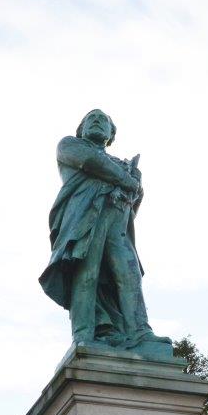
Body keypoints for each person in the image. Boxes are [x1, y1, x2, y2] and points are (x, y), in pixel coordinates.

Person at [39, 109, 172, 355]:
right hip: (86, 220)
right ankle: (84, 335)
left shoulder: (123, 166)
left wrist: (135, 189)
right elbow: (92, 162)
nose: (98, 121)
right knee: (87, 272)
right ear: (81, 129)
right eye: (92, 118)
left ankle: (140, 332)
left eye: (104, 121)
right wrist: (127, 179)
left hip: (117, 224)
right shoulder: (69, 145)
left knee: (129, 274)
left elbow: (132, 204)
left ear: (111, 135)